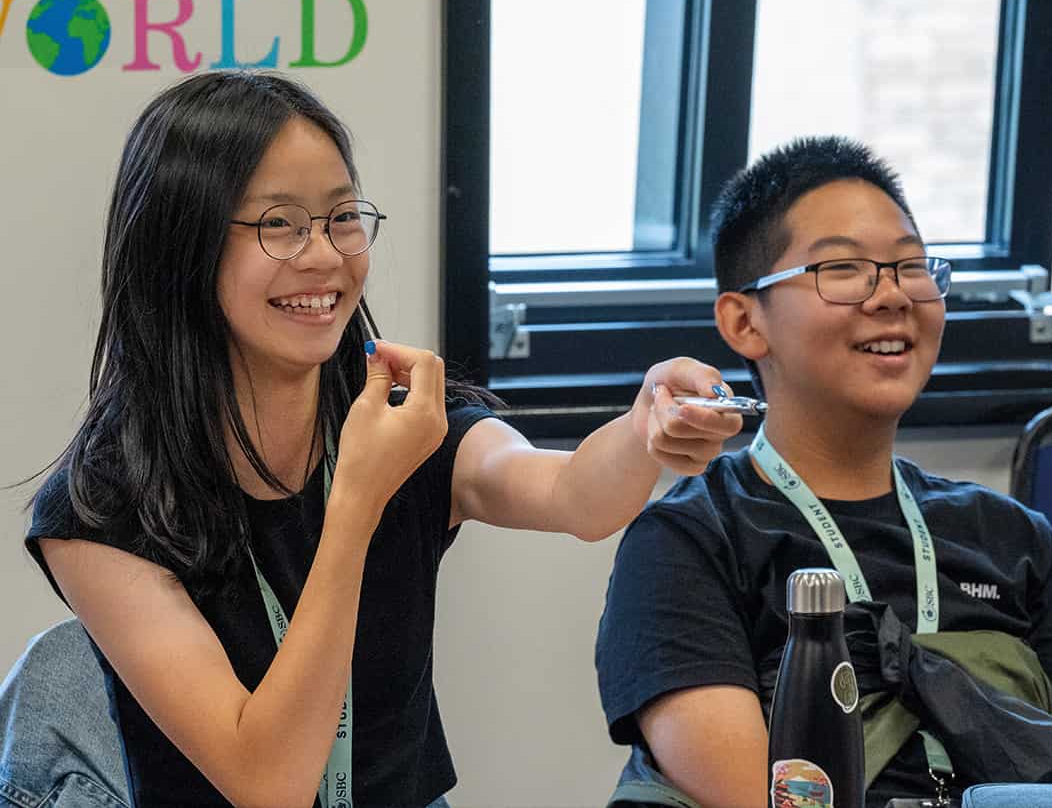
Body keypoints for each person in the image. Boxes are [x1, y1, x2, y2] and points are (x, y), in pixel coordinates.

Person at [18, 71, 744, 808]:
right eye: (278, 223)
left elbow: (573, 496)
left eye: (342, 217)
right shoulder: (101, 507)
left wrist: (643, 425)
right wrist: (357, 502)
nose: (325, 256)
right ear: (182, 244)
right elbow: (267, 783)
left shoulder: (401, 420)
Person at [595, 136, 1052, 808]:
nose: (891, 297)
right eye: (843, 269)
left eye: (911, 267)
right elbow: (748, 796)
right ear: (745, 322)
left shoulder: (1010, 534)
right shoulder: (688, 539)